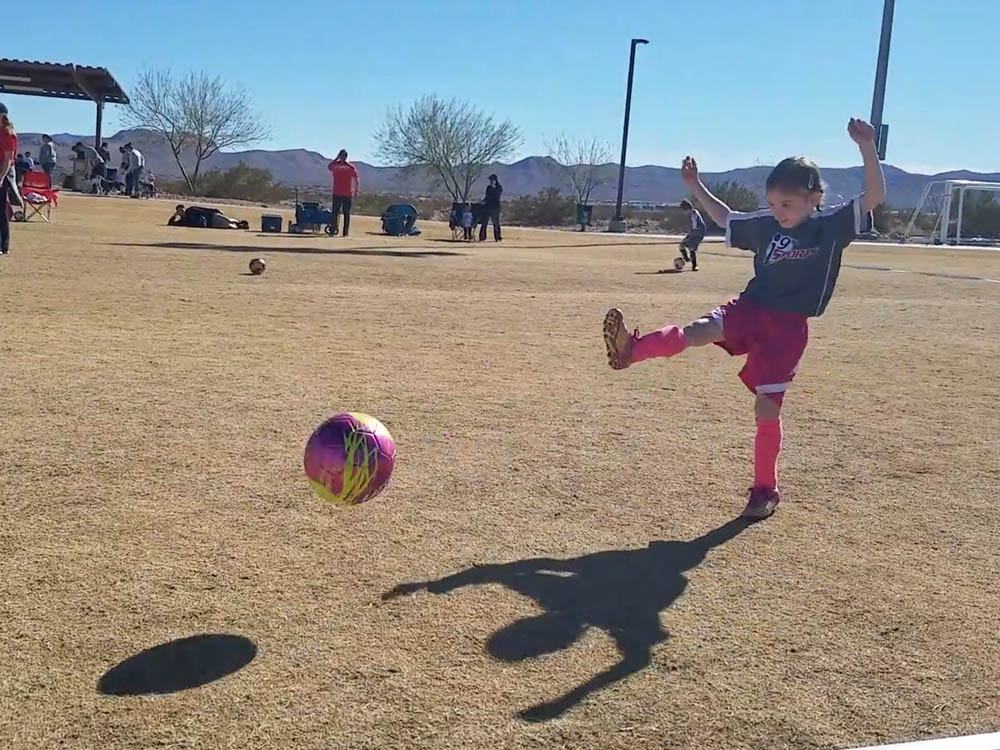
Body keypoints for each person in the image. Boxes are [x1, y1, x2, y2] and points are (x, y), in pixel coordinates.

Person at [602, 117, 885, 520]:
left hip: (786, 329)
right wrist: (695, 186)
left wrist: (867, 147)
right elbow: (725, 217)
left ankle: (765, 489)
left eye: (786, 205)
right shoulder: (767, 226)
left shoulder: (831, 226)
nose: (778, 212)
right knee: (699, 330)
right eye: (772, 204)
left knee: (766, 410)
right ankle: (632, 350)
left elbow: (874, 195)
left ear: (814, 199)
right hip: (752, 308)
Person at [327, 149, 359, 237]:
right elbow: (356, 179)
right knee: (338, 213)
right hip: (340, 192)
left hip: (345, 193)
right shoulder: (349, 167)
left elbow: (329, 166)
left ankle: (342, 232)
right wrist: (356, 190)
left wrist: (356, 190)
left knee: (343, 213)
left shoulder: (342, 166)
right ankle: (336, 231)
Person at [0, 101, 18, 255]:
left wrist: (0, 178)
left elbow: (7, 159)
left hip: (2, 172)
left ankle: (2, 245)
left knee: (0, 210)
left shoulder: (7, 133)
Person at [677, 199, 706, 271]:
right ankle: (686, 259)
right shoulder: (692, 213)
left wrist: (690, 235)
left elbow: (695, 227)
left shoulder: (694, 215)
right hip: (694, 233)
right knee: (682, 246)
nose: (683, 212)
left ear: (687, 209)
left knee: (691, 248)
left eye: (683, 210)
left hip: (698, 233)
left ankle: (694, 266)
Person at [479, 173, 503, 242]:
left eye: (492, 180)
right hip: (487, 207)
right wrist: (483, 201)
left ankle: (497, 237)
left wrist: (493, 188)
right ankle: (482, 237)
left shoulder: (499, 188)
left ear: (495, 180)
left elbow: (497, 196)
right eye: (490, 180)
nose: (491, 181)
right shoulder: (488, 188)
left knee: (496, 223)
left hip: (495, 207)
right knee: (484, 222)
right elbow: (487, 197)